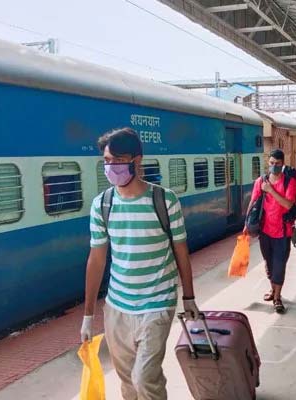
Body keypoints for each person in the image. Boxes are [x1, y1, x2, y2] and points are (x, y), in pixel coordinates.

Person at [81, 127, 200, 400]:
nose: (111, 167)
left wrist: (189, 297)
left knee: (145, 378)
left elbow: (181, 251)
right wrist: (88, 315)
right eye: (107, 161)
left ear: (137, 160)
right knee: (127, 383)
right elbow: (97, 259)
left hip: (157, 303)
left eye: (117, 160)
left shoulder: (164, 200)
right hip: (117, 307)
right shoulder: (102, 204)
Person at [246, 150, 296, 314]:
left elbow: (289, 204)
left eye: (277, 163)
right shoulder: (260, 182)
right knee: (269, 264)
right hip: (264, 231)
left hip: (283, 231)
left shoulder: (289, 182)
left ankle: (277, 297)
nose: (274, 166)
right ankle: (273, 289)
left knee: (279, 264)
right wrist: (246, 224)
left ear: (282, 164)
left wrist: (270, 191)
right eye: (271, 163)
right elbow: (253, 201)